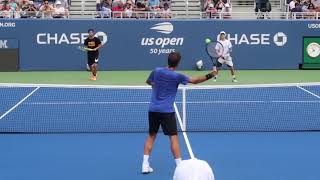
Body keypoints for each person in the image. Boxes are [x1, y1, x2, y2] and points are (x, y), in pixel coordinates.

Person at [142, 51, 216, 174]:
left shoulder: (157, 71)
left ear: (167, 60)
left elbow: (149, 82)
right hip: (167, 111)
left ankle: (145, 165)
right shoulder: (177, 76)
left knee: (151, 136)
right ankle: (179, 166)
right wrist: (211, 75)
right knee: (173, 138)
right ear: (178, 63)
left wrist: (156, 86)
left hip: (153, 109)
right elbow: (195, 80)